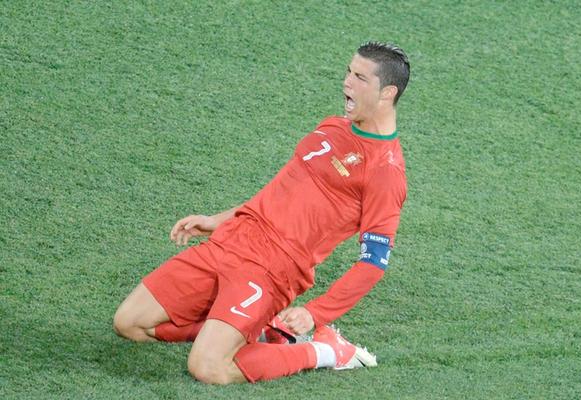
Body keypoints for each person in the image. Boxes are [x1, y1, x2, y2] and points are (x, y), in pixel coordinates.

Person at [113, 41, 410, 384]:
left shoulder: (385, 171)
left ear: (387, 92)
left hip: (271, 269)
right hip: (232, 239)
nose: (346, 82)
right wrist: (218, 220)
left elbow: (372, 264)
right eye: (348, 71)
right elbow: (281, 190)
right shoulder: (334, 126)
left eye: (360, 77)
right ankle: (265, 332)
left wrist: (315, 314)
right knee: (129, 323)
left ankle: (325, 352)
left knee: (208, 368)